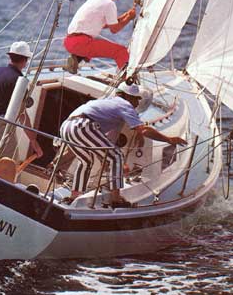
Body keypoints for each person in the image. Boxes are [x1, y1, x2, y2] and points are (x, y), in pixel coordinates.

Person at [59, 82, 187, 207]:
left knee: (86, 161)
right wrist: (169, 139)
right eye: (136, 98)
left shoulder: (107, 102)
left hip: (66, 127)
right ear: (127, 96)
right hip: (83, 127)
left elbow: (106, 140)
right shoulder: (124, 105)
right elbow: (144, 129)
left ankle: (74, 196)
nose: (137, 102)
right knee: (116, 156)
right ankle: (116, 199)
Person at [63, 0, 136, 74]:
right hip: (81, 43)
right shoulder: (109, 4)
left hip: (70, 41)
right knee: (120, 51)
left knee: (94, 42)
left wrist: (125, 16)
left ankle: (77, 58)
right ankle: (126, 81)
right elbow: (114, 30)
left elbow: (105, 24)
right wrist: (129, 18)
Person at [0, 41, 43, 159]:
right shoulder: (19, 81)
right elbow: (22, 115)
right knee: (9, 166)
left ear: (10, 57)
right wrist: (34, 143)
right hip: (0, 127)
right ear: (25, 61)